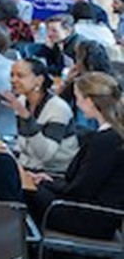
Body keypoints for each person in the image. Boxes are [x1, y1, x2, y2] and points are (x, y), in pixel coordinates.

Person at [30, 72, 124, 241]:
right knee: (29, 186)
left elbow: (81, 189)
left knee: (24, 191)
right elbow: (83, 183)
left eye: (78, 98)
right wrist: (50, 181)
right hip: (95, 211)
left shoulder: (105, 141)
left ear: (89, 101)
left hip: (91, 218)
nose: (77, 103)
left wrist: (45, 183)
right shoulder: (112, 135)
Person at [2, 58, 78, 173]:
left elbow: (45, 155)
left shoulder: (58, 108)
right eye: (12, 75)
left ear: (39, 80)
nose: (13, 80)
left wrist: (27, 118)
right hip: (29, 167)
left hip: (54, 173)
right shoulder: (21, 101)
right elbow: (23, 144)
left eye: (20, 76)